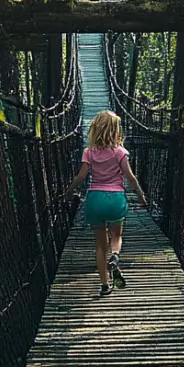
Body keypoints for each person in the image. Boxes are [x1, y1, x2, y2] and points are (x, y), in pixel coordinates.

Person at [65, 110, 148, 296]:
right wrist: (141, 195)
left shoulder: (89, 152)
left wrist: (69, 192)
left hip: (94, 199)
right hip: (115, 199)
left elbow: (81, 176)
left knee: (100, 246)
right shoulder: (120, 152)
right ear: (115, 130)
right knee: (116, 236)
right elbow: (130, 177)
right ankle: (116, 257)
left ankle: (104, 285)